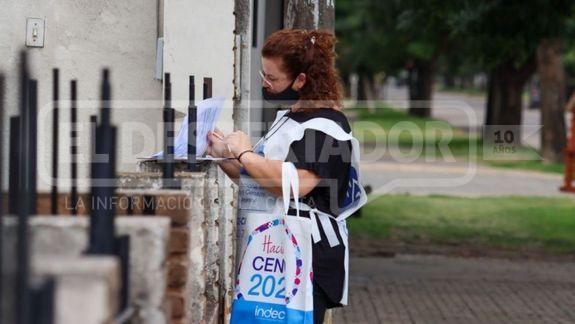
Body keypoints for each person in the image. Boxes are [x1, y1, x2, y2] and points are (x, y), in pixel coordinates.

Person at [207, 29, 364, 324]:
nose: (265, 83)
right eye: (263, 74)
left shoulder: (326, 126)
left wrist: (245, 155)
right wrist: (220, 154)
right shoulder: (291, 117)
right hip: (274, 253)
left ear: (301, 80)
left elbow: (298, 184)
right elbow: (260, 181)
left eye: (272, 78)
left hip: (307, 257)